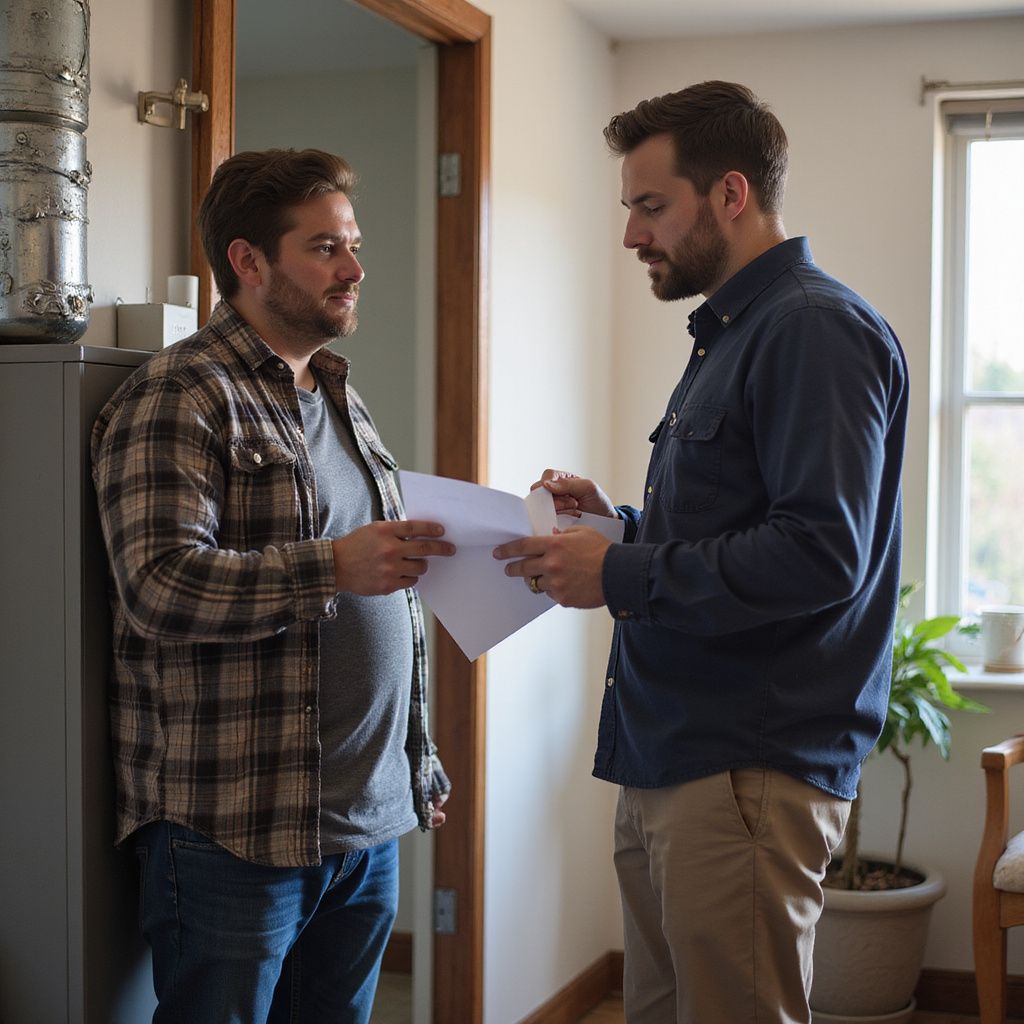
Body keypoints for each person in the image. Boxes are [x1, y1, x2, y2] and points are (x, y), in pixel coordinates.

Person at [494, 82, 908, 1024]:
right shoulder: (732, 333)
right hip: (676, 752)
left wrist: (622, 575)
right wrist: (621, 528)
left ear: (731, 195)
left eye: (651, 207)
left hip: (743, 762)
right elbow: (744, 525)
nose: (633, 236)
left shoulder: (810, 328)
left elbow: (819, 553)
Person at [91, 148, 454, 1024]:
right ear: (249, 262)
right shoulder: (180, 394)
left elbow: (390, 602)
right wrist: (332, 565)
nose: (355, 269)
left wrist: (418, 760)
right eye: (326, 247)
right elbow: (157, 585)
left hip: (366, 828)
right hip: (237, 831)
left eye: (353, 245)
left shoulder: (338, 395)